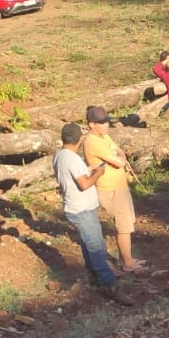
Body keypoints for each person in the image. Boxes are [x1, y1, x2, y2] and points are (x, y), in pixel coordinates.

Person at [52, 123, 133, 305]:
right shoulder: (72, 159)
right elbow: (84, 184)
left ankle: (94, 279)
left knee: (88, 245)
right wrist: (99, 173)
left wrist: (88, 171)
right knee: (97, 248)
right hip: (82, 209)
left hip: (75, 207)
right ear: (80, 139)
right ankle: (110, 286)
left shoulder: (59, 156)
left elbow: (72, 178)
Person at [82, 105, 145, 273]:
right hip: (110, 189)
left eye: (106, 121)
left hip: (119, 187)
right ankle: (128, 264)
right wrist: (120, 158)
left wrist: (120, 157)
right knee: (124, 227)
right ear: (91, 124)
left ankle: (125, 259)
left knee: (125, 224)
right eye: (101, 122)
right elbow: (120, 161)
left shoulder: (104, 137)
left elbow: (120, 152)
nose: (106, 125)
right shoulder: (93, 142)